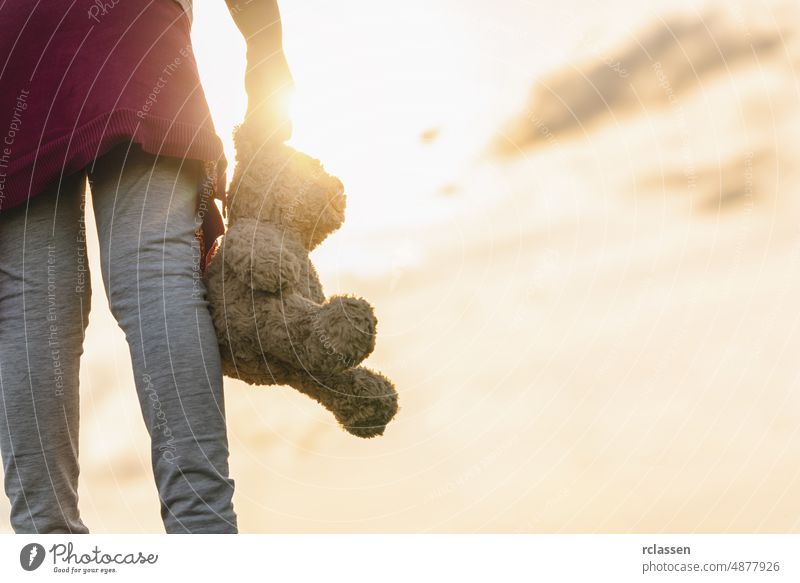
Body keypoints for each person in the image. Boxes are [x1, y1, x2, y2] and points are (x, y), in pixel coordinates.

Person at [0, 0, 293, 534]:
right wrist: (267, 57)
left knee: (31, 305)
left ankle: (45, 547)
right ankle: (201, 530)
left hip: (14, 42)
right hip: (134, 34)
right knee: (156, 278)